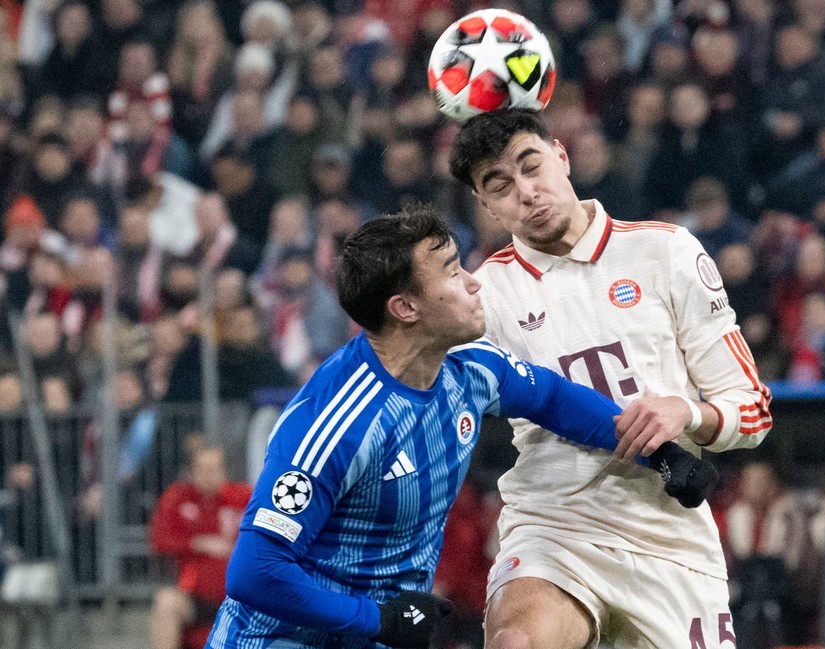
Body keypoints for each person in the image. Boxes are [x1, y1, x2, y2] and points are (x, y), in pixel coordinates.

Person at [205, 206, 707, 649]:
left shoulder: (468, 366)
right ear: (405, 308)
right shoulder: (337, 424)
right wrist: (377, 619)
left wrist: (658, 453)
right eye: (451, 272)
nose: (473, 282)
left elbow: (552, 399)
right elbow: (255, 571)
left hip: (376, 635)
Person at [448, 108, 774, 649]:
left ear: (562, 156)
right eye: (499, 186)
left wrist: (686, 412)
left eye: (532, 167)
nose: (525, 193)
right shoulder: (484, 299)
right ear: (484, 206)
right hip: (554, 525)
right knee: (516, 643)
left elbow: (753, 410)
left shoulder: (665, 251)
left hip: (668, 532)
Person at [148, 446, 251, 649]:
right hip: (197, 597)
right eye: (201, 469)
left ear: (225, 471)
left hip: (239, 596)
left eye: (213, 469)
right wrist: (198, 543)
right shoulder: (178, 497)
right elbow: (159, 540)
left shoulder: (244, 497)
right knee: (165, 603)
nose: (207, 475)